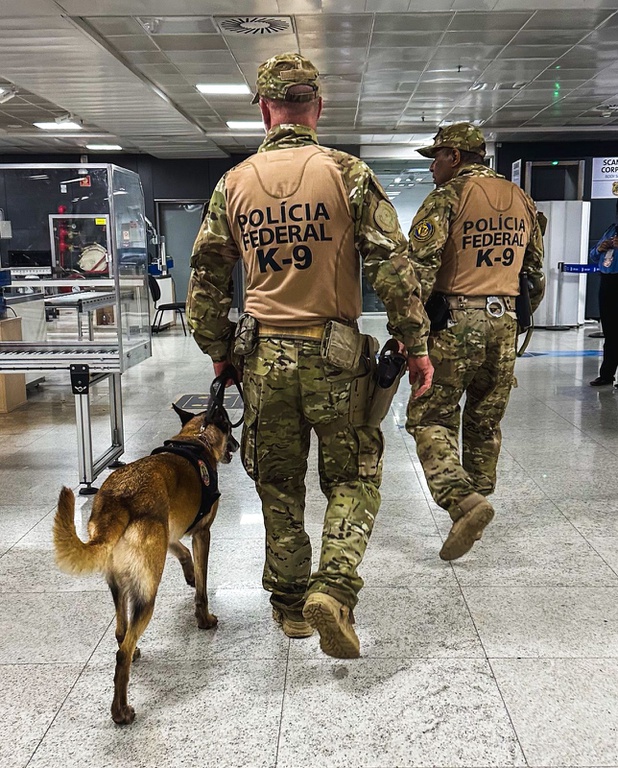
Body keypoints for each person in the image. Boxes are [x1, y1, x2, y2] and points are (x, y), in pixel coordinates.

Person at [187, 53, 433, 658]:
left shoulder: (234, 184)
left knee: (278, 483)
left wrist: (221, 353)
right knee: (353, 476)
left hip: (263, 362)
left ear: (266, 110)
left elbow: (204, 284)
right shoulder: (348, 173)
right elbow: (392, 269)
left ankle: (292, 605)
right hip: (338, 360)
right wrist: (416, 344)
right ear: (318, 109)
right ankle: (336, 587)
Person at [405, 123, 545, 561]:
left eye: (436, 156)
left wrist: (409, 332)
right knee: (485, 420)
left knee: (430, 417)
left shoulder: (447, 197)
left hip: (455, 321)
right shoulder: (520, 199)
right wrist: (518, 316)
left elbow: (419, 272)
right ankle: (477, 506)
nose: (432, 166)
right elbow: (534, 272)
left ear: (455, 156)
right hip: (504, 322)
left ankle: (464, 502)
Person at [588, 200, 618, 387]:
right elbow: (593, 255)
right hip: (607, 282)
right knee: (610, 331)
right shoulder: (611, 229)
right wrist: (600, 248)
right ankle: (606, 374)